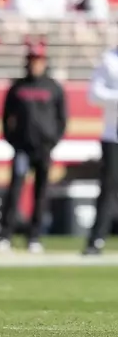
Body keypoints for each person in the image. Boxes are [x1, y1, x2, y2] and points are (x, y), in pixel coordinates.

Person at [0, 41, 67, 253]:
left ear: (44, 62)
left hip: (44, 149)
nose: (34, 65)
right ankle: (5, 236)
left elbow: (61, 119)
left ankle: (34, 236)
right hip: (21, 148)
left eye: (38, 60)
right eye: (31, 60)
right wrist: (12, 140)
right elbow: (5, 117)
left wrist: (52, 140)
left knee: (41, 192)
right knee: (15, 190)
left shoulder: (54, 88)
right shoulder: (17, 88)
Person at [83, 46, 118, 255]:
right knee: (108, 188)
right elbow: (94, 94)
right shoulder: (109, 61)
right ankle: (96, 240)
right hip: (113, 136)